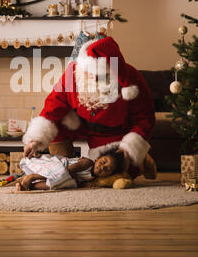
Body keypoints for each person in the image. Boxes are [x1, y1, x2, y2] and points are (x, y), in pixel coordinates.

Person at [23, 36, 157, 181]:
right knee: (53, 125)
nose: (93, 80)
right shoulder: (73, 73)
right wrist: (36, 139)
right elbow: (53, 105)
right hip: (82, 126)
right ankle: (66, 167)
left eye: (100, 76)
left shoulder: (131, 78)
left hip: (116, 133)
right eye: (89, 74)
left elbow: (145, 118)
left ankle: (144, 161)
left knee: (113, 174)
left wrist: (129, 147)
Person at [16, 149, 125, 191]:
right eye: (103, 162)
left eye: (107, 169)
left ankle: (30, 185)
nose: (102, 167)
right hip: (57, 165)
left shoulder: (92, 178)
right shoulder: (88, 163)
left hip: (59, 176)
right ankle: (32, 177)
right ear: (97, 159)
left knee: (58, 184)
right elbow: (68, 170)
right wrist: (77, 183)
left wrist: (79, 183)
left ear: (108, 175)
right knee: (64, 178)